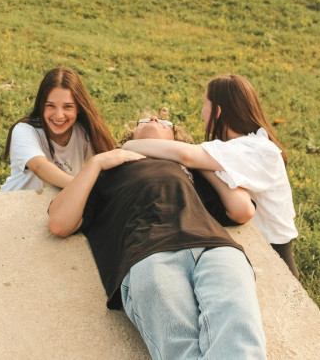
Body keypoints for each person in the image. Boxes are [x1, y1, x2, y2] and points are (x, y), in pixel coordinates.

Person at [48, 113, 267, 360]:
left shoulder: (189, 171)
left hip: (215, 248)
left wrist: (200, 162)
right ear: (131, 136)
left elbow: (241, 210)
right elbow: (59, 223)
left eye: (165, 122)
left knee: (240, 338)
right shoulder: (110, 172)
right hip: (149, 254)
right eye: (144, 119)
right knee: (181, 350)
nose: (154, 118)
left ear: (174, 138)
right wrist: (96, 164)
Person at [124, 74, 299, 279]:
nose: (201, 114)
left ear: (217, 110)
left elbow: (187, 155)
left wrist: (129, 145)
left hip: (273, 255)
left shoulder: (255, 149)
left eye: (204, 105)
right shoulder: (240, 147)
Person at [0, 67, 115, 192]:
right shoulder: (24, 130)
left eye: (68, 106)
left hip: (60, 206)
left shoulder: (84, 132)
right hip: (17, 204)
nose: (59, 115)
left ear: (79, 107)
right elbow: (39, 166)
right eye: (50, 106)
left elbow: (108, 165)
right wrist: (85, 188)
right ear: (41, 106)